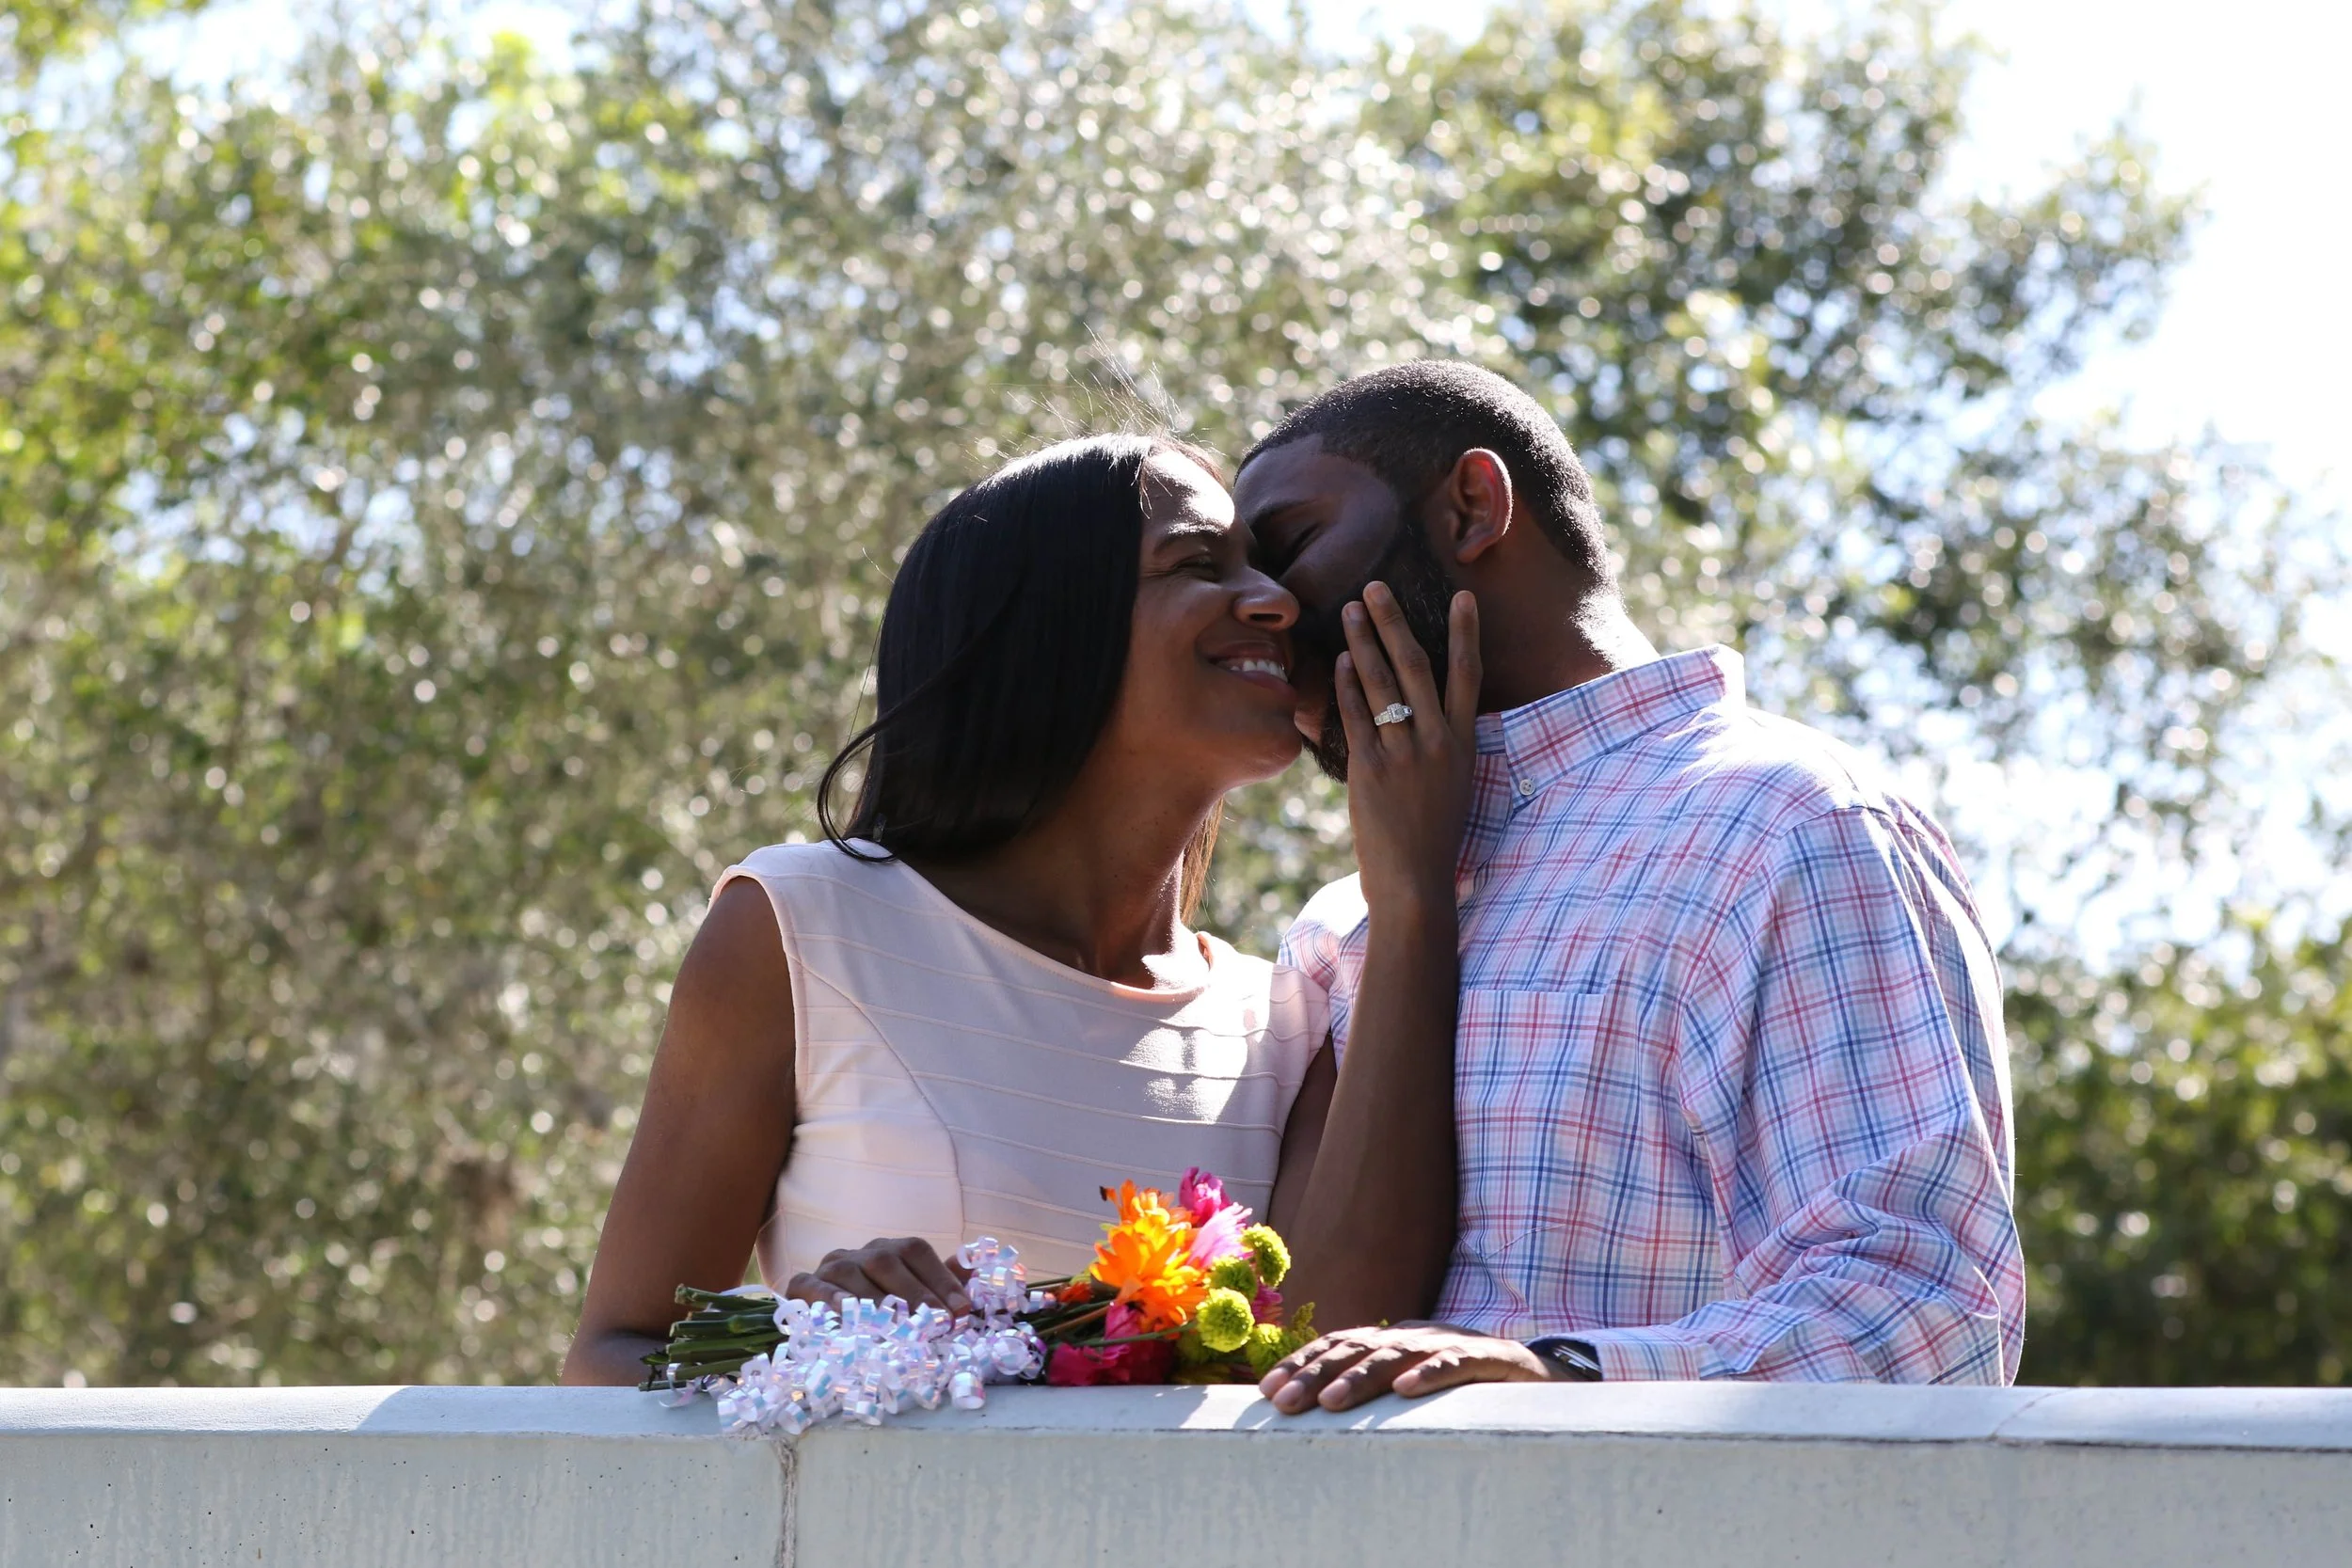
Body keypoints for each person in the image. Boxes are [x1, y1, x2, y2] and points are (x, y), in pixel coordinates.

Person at [563, 435, 1481, 1385]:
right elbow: (611, 1355)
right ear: (1045, 620)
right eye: (1197, 564)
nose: (1279, 601)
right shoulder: (801, 929)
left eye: (1265, 564)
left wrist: (1410, 887)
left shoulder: (1289, 1020)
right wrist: (812, 1336)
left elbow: (1329, 1353)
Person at [1238, 361, 2023, 1409]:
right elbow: (1299, 1346)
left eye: (1288, 546)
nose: (1263, 609)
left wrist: (1558, 1372)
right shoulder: (1340, 927)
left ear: (1474, 506)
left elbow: (1925, 1313)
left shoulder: (1792, 825)